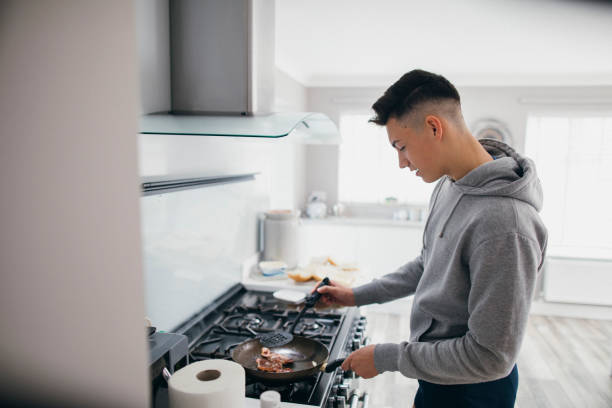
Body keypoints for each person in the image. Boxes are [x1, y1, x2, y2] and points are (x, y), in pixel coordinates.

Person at [316, 69, 548, 408]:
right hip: (437, 375)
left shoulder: (506, 226)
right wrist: (354, 295)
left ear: (435, 127)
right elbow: (429, 263)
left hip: (474, 392)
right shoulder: (449, 184)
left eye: (402, 146)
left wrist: (387, 357)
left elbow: (491, 357)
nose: (401, 162)